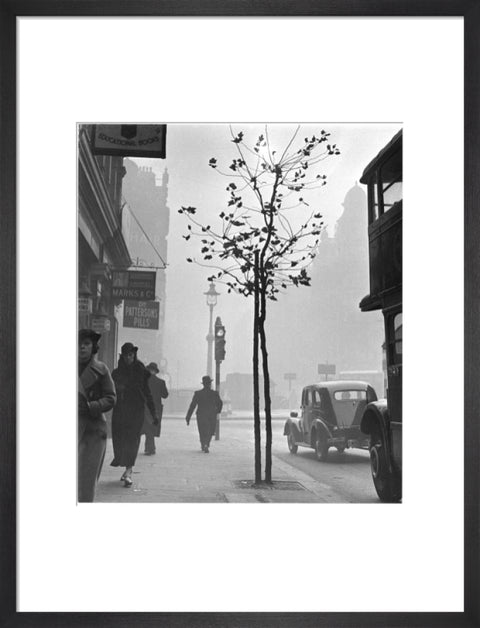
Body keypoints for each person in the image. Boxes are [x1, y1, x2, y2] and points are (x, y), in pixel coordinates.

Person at [110, 342, 159, 487]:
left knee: (132, 440)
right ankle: (125, 466)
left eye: (131, 355)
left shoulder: (140, 370)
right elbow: (110, 393)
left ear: (134, 355)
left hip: (136, 411)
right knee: (120, 440)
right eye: (126, 355)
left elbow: (147, 393)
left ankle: (129, 471)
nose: (128, 358)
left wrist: (153, 413)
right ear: (122, 356)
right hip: (120, 411)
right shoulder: (116, 373)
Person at [78, 329, 116, 502]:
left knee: (86, 481)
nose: (81, 348)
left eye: (86, 344)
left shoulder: (101, 370)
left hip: (92, 431)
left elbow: (111, 398)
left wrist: (91, 406)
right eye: (78, 344)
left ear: (93, 347)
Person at [185, 375, 223, 453]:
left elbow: (192, 405)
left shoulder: (198, 393)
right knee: (210, 431)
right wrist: (217, 411)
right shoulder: (214, 393)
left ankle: (203, 444)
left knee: (202, 431)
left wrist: (188, 417)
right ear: (209, 384)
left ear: (203, 384)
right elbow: (220, 403)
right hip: (211, 415)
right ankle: (206, 443)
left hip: (201, 415)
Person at [141, 362, 169, 455]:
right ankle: (150, 447)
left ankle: (150, 447)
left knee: (147, 426)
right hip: (156, 407)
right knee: (152, 427)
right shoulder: (161, 382)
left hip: (145, 407)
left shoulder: (143, 381)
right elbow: (165, 395)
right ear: (155, 371)